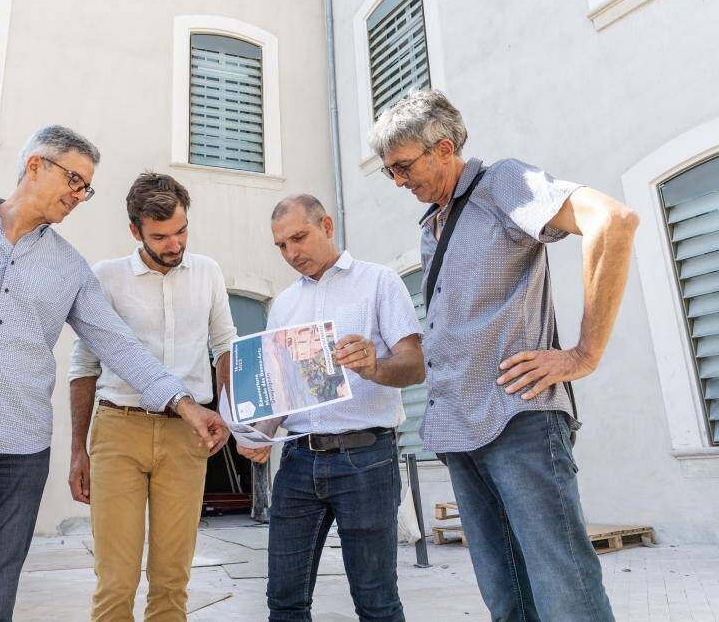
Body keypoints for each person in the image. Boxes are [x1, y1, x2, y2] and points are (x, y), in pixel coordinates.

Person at [0, 126, 227, 621]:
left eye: (85, 187)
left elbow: (117, 345)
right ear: (35, 166)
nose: (79, 195)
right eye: (74, 179)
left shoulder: (70, 267)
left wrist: (185, 405)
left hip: (15, 455)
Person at [369, 89, 639, 621]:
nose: (399, 182)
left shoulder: (502, 184)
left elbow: (613, 222)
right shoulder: (434, 223)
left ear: (443, 149)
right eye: (389, 173)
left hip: (519, 425)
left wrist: (583, 354)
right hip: (461, 433)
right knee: (506, 598)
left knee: (566, 593)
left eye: (402, 167)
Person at [238, 194, 425, 622]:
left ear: (326, 226)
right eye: (281, 245)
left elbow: (414, 366)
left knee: (376, 601)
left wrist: (374, 366)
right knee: (284, 599)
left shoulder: (379, 282)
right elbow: (281, 393)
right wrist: (260, 434)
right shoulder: (283, 304)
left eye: (298, 238)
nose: (291, 253)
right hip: (299, 461)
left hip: (367, 459)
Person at [68, 172, 235, 621]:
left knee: (171, 580)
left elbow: (224, 347)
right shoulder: (105, 278)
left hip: (186, 437)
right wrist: (78, 451)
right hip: (118, 429)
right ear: (134, 231)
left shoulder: (208, 272)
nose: (174, 244)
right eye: (160, 236)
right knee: (116, 579)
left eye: (181, 231)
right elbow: (84, 367)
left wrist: (230, 415)